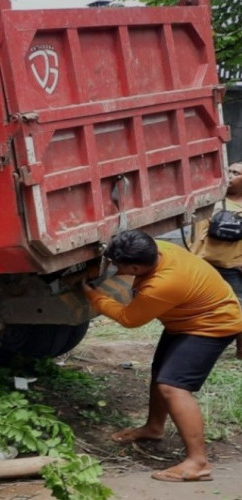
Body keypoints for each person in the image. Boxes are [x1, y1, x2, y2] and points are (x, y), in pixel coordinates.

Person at [82, 229, 242, 482]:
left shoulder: (164, 283)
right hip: (187, 321)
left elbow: (129, 319)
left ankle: (198, 462)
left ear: (134, 268)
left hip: (211, 326)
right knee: (161, 374)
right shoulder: (155, 248)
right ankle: (154, 428)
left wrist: (93, 295)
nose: (112, 267)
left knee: (172, 386)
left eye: (115, 264)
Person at [191, 161, 242, 355]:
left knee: (238, 309)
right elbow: (197, 235)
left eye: (235, 173)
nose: (229, 176)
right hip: (205, 264)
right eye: (227, 171)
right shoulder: (211, 201)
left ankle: (240, 351)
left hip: (234, 267)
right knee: (200, 309)